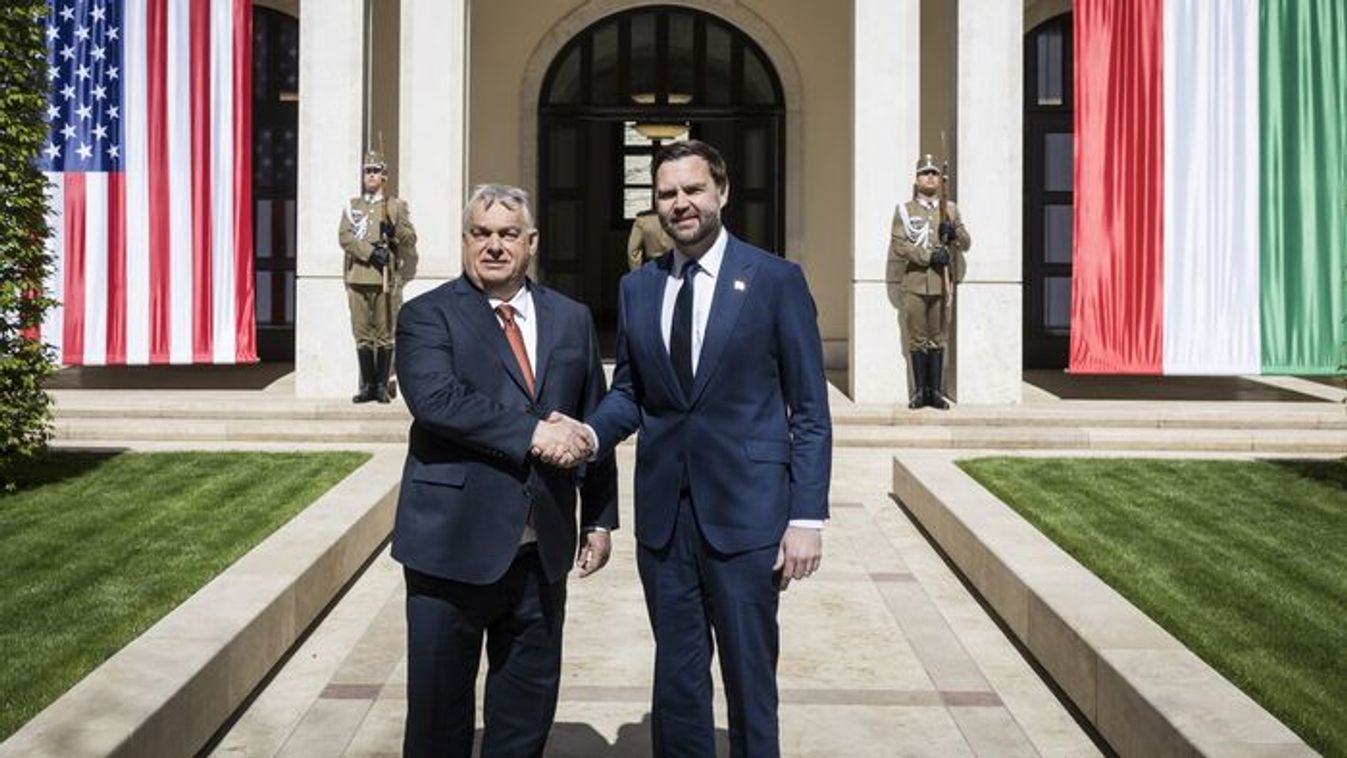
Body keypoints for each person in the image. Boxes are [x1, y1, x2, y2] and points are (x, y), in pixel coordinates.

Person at [556, 140, 833, 757]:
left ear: (722, 192)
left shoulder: (776, 281)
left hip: (747, 518)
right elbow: (631, 392)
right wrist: (590, 434)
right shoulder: (639, 288)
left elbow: (811, 411)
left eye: (693, 189)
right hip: (665, 522)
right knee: (677, 683)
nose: (680, 203)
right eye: (666, 194)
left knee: (750, 682)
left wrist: (807, 518)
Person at [391, 184, 618, 757]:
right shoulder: (426, 315)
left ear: (531, 242)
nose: (494, 245)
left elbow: (591, 417)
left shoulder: (571, 318)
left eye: (508, 234)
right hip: (450, 549)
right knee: (438, 721)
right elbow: (437, 400)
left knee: (525, 717)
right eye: (481, 233)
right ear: (466, 240)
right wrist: (534, 433)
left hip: (540, 553)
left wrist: (599, 517)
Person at [889, 154, 971, 410]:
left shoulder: (950, 209)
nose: (930, 177)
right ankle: (919, 393)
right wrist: (927, 256)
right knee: (917, 338)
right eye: (925, 173)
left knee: (937, 338)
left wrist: (954, 233)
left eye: (934, 173)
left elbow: (966, 243)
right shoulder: (905, 210)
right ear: (917, 179)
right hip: (914, 282)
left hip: (941, 283)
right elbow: (899, 245)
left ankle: (935, 393)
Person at [338, 149, 418, 404]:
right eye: (367, 171)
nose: (371, 175)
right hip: (358, 277)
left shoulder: (395, 206)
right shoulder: (353, 206)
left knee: (384, 334)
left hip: (385, 280)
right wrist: (371, 253)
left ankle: (382, 386)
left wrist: (393, 231)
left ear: (384, 175)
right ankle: (368, 386)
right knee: (362, 334)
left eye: (375, 171)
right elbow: (345, 237)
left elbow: (410, 238)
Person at [626, 206, 674, 271]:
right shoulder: (676, 216)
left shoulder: (643, 220)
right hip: (676, 263)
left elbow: (633, 251)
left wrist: (636, 272)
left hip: (653, 264)